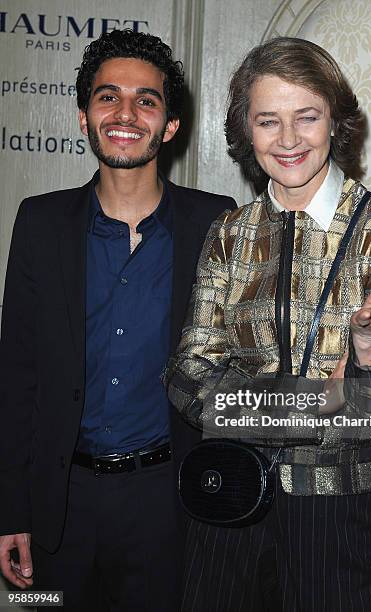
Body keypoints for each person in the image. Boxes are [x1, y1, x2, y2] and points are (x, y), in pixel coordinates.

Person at [165, 37, 371, 611]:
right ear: (246, 132)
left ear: (335, 120)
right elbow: (186, 376)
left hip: (336, 507)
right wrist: (316, 401)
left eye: (306, 117)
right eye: (268, 121)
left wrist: (369, 343)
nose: (287, 140)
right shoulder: (229, 232)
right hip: (228, 494)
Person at [0, 29, 235, 611]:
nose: (125, 113)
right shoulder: (39, 223)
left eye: (146, 100)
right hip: (59, 506)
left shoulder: (215, 222)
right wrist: (10, 511)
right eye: (108, 97)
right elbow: (16, 376)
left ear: (169, 125)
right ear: (84, 117)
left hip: (168, 504)